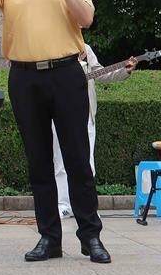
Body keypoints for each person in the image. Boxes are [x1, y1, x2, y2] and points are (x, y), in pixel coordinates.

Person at [0, 0, 110, 264]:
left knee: (78, 159)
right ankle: (49, 238)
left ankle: (90, 236)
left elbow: (86, 19)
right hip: (24, 77)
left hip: (67, 73)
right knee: (38, 163)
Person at [53, 45, 136, 218]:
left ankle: (87, 208)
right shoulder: (52, 44)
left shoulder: (85, 48)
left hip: (85, 114)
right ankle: (63, 204)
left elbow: (101, 73)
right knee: (60, 162)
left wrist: (124, 71)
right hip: (58, 112)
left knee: (87, 163)